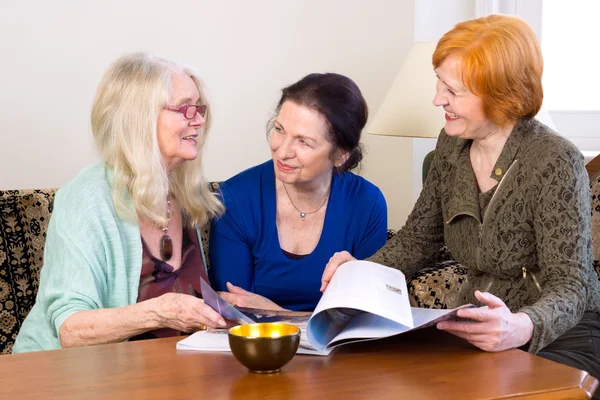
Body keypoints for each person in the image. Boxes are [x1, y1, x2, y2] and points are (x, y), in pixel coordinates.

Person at [321, 14, 600, 388]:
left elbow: (572, 285)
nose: (438, 100)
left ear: (503, 93)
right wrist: (358, 272)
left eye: (454, 91)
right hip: (477, 328)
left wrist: (521, 326)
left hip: (565, 335)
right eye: (438, 83)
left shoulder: (554, 160)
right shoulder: (450, 145)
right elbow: (417, 239)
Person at [13, 52, 227, 352]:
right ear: (139, 118)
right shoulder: (86, 198)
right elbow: (71, 330)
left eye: (199, 108)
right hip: (72, 380)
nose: (200, 120)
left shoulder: (184, 193)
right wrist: (159, 311)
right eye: (185, 109)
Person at [209, 73, 387, 311]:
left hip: (342, 347)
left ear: (340, 154)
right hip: (257, 346)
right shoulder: (234, 199)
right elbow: (236, 309)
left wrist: (278, 313)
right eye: (280, 130)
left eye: (303, 142)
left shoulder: (368, 203)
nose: (282, 151)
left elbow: (364, 312)